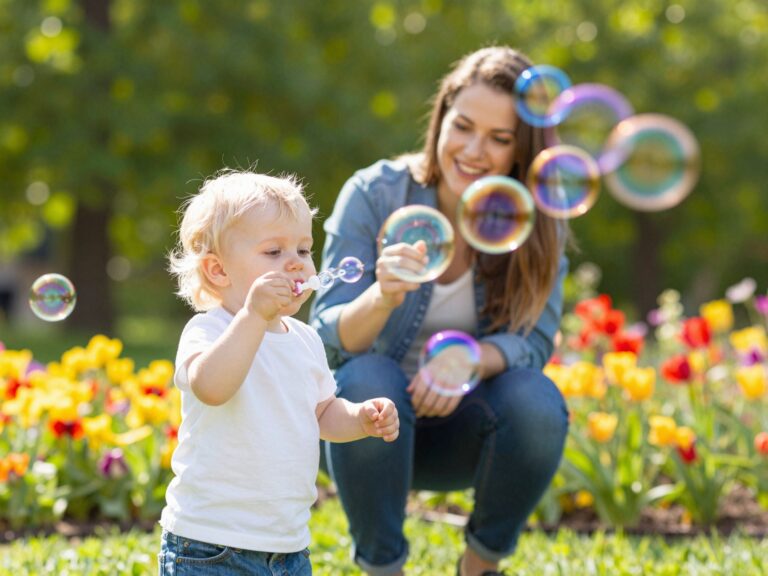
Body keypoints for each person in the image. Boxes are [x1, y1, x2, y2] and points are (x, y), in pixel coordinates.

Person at [310, 46, 570, 576]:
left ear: (521, 151)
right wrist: (382, 296)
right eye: (463, 127)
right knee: (367, 377)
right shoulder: (375, 193)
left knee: (538, 403)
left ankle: (480, 566)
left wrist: (467, 360)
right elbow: (327, 334)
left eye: (499, 139)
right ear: (442, 119)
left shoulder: (538, 220)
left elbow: (536, 342)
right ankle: (384, 568)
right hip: (359, 432)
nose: (474, 151)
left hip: (464, 434)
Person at [160, 169, 400, 575]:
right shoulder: (208, 330)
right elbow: (212, 388)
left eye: (304, 250)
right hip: (209, 545)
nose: (296, 264)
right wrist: (254, 315)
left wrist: (359, 418)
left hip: (288, 548)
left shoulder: (305, 340)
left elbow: (322, 413)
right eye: (274, 252)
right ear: (218, 271)